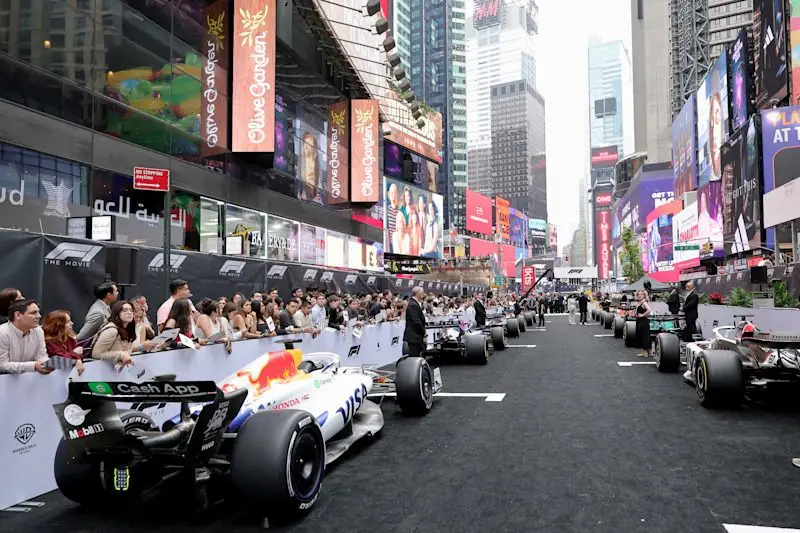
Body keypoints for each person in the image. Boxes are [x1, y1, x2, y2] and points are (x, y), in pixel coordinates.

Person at [0, 299, 52, 375]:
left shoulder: (38, 330)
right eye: (33, 313)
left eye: (38, 312)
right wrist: (33, 366)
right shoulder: (2, 332)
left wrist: (49, 364)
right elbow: (2, 365)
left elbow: (41, 356)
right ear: (17, 315)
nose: (39, 316)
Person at [42, 310, 85, 376]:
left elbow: (79, 357)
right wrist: (75, 354)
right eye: (68, 322)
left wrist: (77, 358)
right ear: (58, 325)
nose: (72, 323)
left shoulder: (70, 339)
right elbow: (60, 358)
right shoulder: (48, 342)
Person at [403, 286, 426, 357]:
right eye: (422, 293)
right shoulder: (413, 304)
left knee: (417, 355)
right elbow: (416, 321)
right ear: (418, 293)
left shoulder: (414, 303)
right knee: (414, 356)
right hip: (414, 336)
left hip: (415, 336)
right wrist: (423, 331)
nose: (423, 294)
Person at [634, 290, 652, 357]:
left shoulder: (644, 302)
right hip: (640, 321)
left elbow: (649, 310)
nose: (640, 295)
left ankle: (645, 352)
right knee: (643, 336)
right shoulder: (639, 302)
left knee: (644, 336)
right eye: (638, 294)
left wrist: (642, 315)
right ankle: (648, 352)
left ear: (644, 295)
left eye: (641, 294)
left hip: (643, 321)